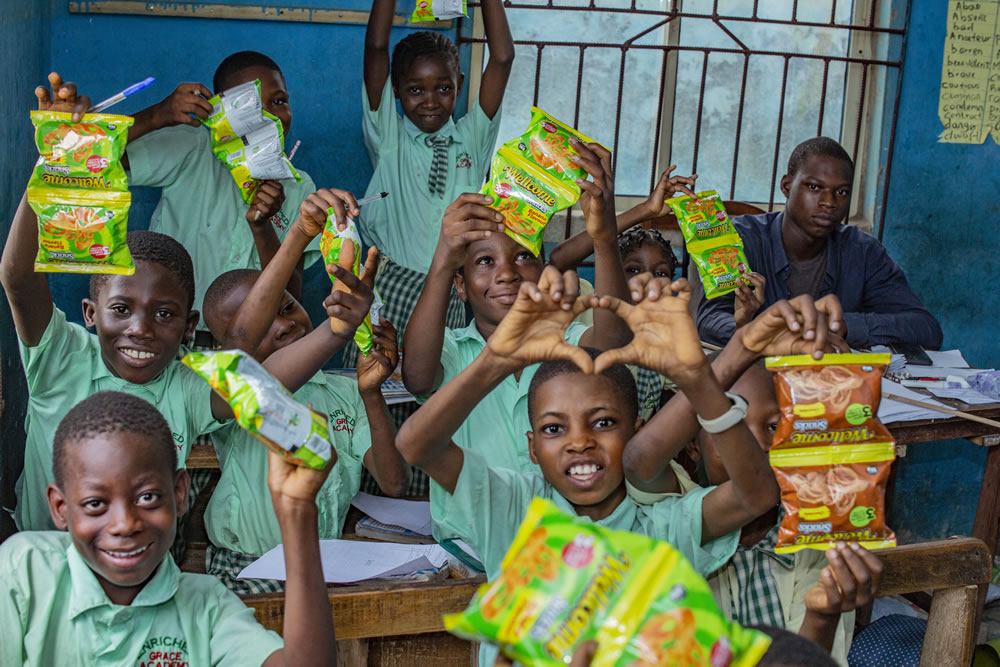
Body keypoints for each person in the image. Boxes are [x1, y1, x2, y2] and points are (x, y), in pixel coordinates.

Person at [0, 73, 350, 531]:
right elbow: (19, 279)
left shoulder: (183, 385)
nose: (141, 328)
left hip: (143, 577)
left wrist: (337, 328)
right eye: (121, 310)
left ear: (189, 327)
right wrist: (54, 161)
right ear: (90, 315)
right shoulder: (63, 358)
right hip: (48, 575)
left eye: (164, 314)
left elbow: (258, 372)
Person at [396, 266, 780, 665]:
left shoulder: (663, 526)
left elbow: (756, 495)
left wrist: (698, 380)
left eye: (603, 423)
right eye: (553, 428)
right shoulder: (516, 508)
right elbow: (416, 445)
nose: (579, 442)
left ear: (636, 431)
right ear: (532, 447)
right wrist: (496, 360)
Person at [0, 390, 336, 666]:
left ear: (179, 493)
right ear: (60, 508)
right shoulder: (23, 571)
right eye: (95, 504)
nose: (125, 524)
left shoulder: (207, 607)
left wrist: (298, 511)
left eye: (147, 497)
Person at [199, 189, 409, 592]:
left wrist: (369, 394)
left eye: (288, 306)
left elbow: (393, 483)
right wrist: (335, 330)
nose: (284, 325)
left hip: (323, 567)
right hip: (247, 568)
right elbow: (265, 385)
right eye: (263, 325)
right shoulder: (228, 394)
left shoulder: (340, 392)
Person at [401, 142, 630, 511]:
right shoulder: (453, 351)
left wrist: (604, 238)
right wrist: (443, 260)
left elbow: (613, 339)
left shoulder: (568, 342)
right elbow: (416, 377)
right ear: (460, 285)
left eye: (523, 256)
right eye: (485, 261)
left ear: (541, 272)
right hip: (471, 546)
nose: (506, 273)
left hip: (558, 539)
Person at [353, 0, 514, 368]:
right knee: (379, 392)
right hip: (391, 290)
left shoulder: (472, 138)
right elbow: (376, 49)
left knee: (438, 404)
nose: (430, 102)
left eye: (443, 88)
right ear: (396, 91)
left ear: (459, 85)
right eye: (415, 90)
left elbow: (502, 59)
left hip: (451, 295)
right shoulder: (389, 135)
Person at [123, 52, 318, 329]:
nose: (267, 117)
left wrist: (263, 227)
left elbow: (291, 295)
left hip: (251, 350)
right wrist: (157, 115)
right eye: (246, 106)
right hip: (171, 344)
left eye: (279, 102)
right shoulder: (192, 148)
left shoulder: (300, 188)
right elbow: (95, 158)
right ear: (218, 112)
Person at [697, 136, 942, 350]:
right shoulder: (740, 240)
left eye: (842, 192)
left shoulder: (863, 252)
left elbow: (926, 329)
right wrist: (766, 334)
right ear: (786, 186)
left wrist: (841, 324)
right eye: (815, 187)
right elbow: (709, 319)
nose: (829, 202)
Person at [549, 167, 696, 421]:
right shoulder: (587, 301)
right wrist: (645, 211)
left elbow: (707, 373)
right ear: (614, 272)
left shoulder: (666, 340)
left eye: (660, 273)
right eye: (633, 269)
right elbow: (559, 260)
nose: (647, 279)